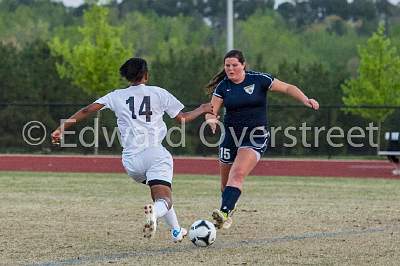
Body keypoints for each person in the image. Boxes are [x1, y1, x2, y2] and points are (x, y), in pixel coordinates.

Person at [51, 57, 213, 242]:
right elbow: (183, 118)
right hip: (154, 154)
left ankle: (176, 231)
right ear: (146, 74)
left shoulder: (116, 95)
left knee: (161, 191)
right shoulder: (158, 93)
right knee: (164, 199)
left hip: (130, 162)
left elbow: (87, 110)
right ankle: (155, 214)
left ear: (127, 77)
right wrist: (202, 108)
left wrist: (61, 129)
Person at [205, 50, 319, 229]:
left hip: (255, 136)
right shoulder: (223, 87)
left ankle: (224, 212)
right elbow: (212, 110)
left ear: (243, 65)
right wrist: (211, 120)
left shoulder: (259, 79)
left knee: (237, 174)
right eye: (227, 65)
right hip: (230, 137)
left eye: (234, 65)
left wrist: (305, 99)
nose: (230, 69)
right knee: (225, 185)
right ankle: (228, 208)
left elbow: (288, 87)